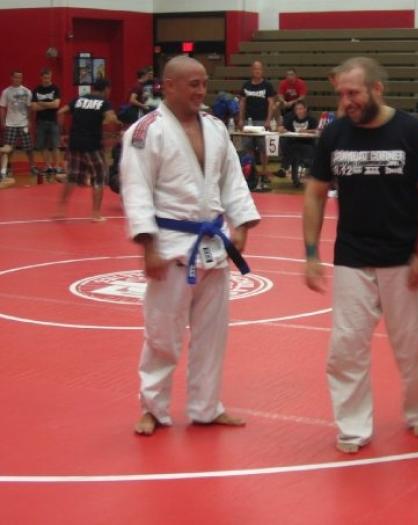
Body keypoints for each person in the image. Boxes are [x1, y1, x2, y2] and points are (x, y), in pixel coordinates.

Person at [303, 57, 418, 454]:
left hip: (403, 256)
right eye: (341, 94)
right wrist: (311, 253)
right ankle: (353, 426)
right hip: (353, 255)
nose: (346, 101)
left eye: (354, 93)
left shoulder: (414, 133)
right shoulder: (334, 134)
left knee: (414, 346)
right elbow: (315, 193)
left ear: (377, 89)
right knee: (345, 347)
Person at [120, 55, 261, 437]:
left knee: (212, 336)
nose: (201, 91)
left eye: (203, 84)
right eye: (193, 84)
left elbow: (232, 179)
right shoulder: (146, 131)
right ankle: (153, 408)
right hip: (170, 246)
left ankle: (206, 407)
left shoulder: (215, 127)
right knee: (162, 335)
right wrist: (148, 245)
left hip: (213, 243)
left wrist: (241, 224)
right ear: (169, 86)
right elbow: (136, 190)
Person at [55, 78, 119, 221]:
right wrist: (111, 128)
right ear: (106, 89)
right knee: (99, 177)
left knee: (72, 177)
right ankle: (96, 214)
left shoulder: (80, 99)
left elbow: (60, 112)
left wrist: (61, 132)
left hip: (75, 143)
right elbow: (111, 119)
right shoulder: (104, 102)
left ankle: (61, 209)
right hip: (92, 145)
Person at [238, 60, 276, 190]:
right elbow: (242, 103)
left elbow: (271, 104)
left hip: (262, 121)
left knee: (263, 148)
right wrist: (240, 119)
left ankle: (264, 172)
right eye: (255, 69)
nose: (257, 71)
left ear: (262, 70)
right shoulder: (246, 85)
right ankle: (251, 171)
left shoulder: (267, 86)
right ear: (252, 70)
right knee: (248, 147)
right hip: (248, 121)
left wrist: (268, 119)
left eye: (259, 69)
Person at [0, 70, 39, 184]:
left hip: (23, 123)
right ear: (11, 77)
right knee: (8, 149)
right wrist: (2, 121)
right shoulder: (6, 92)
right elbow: (2, 107)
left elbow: (30, 108)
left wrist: (29, 121)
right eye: (16, 77)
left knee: (29, 148)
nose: (18, 79)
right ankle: (7, 169)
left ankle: (32, 167)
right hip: (10, 124)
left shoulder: (27, 92)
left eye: (20, 77)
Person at [32, 68, 62, 179]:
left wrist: (41, 103)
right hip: (41, 121)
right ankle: (48, 165)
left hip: (53, 121)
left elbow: (56, 105)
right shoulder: (36, 90)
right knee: (43, 145)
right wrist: (49, 104)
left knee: (55, 145)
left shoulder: (55, 88)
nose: (47, 80)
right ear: (41, 77)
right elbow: (34, 107)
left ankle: (57, 166)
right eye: (45, 78)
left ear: (51, 77)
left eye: (48, 77)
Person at [280, 100, 318, 187]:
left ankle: (284, 168)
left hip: (308, 145)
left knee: (294, 151)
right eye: (297, 109)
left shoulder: (312, 120)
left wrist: (307, 131)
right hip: (295, 145)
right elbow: (282, 127)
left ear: (305, 109)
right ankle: (292, 177)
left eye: (300, 108)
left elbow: (318, 130)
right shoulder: (291, 119)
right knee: (292, 149)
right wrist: (282, 129)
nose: (299, 111)